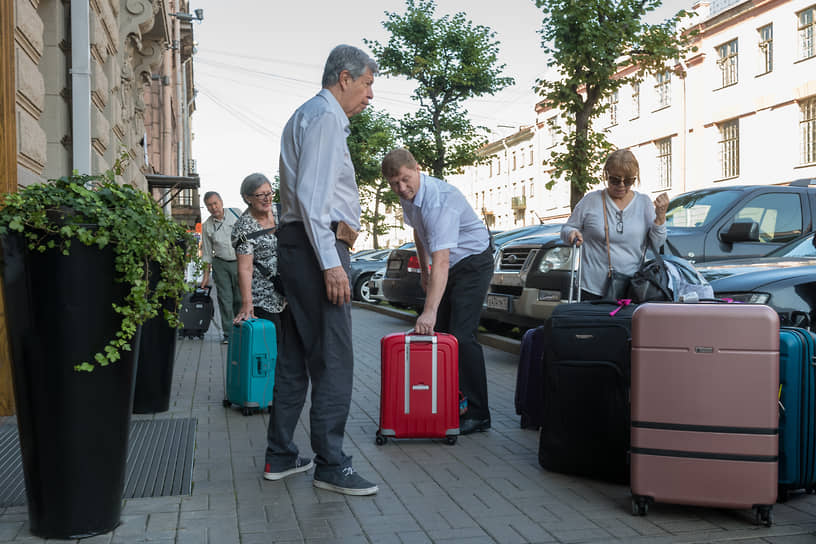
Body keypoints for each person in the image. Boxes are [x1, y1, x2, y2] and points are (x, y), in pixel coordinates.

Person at [268, 44, 379, 496]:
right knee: (334, 359)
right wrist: (332, 264)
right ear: (345, 78)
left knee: (294, 357)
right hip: (318, 250)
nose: (370, 94)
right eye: (368, 83)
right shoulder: (327, 119)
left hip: (299, 246)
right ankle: (331, 464)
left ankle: (281, 454)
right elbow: (316, 202)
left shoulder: (306, 115)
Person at [382, 148, 494, 436]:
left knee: (461, 335)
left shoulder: (439, 202)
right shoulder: (408, 197)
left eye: (406, 179)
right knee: (441, 334)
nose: (402, 188)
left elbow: (443, 259)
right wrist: (424, 270)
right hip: (450, 263)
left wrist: (429, 310)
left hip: (473, 261)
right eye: (395, 183)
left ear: (418, 169)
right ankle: (450, 402)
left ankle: (479, 414)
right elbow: (419, 232)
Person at [560, 149, 669, 300]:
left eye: (629, 181)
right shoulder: (591, 201)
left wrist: (660, 217)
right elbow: (567, 229)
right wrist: (571, 234)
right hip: (591, 288)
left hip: (632, 287)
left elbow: (655, 244)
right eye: (615, 180)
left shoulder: (643, 202)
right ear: (606, 175)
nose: (622, 185)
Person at [231, 173, 286, 331]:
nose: (267, 198)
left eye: (269, 193)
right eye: (260, 195)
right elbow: (245, 268)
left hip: (288, 292)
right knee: (273, 347)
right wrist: (247, 304)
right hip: (263, 297)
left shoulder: (281, 211)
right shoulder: (243, 227)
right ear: (247, 198)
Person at [200, 191, 242, 344]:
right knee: (225, 299)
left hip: (239, 261)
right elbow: (206, 252)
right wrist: (205, 276)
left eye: (215, 203)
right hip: (221, 263)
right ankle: (228, 333)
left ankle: (241, 330)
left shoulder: (236, 213)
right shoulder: (207, 226)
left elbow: (247, 234)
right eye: (209, 205)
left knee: (240, 297)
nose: (213, 207)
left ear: (221, 202)